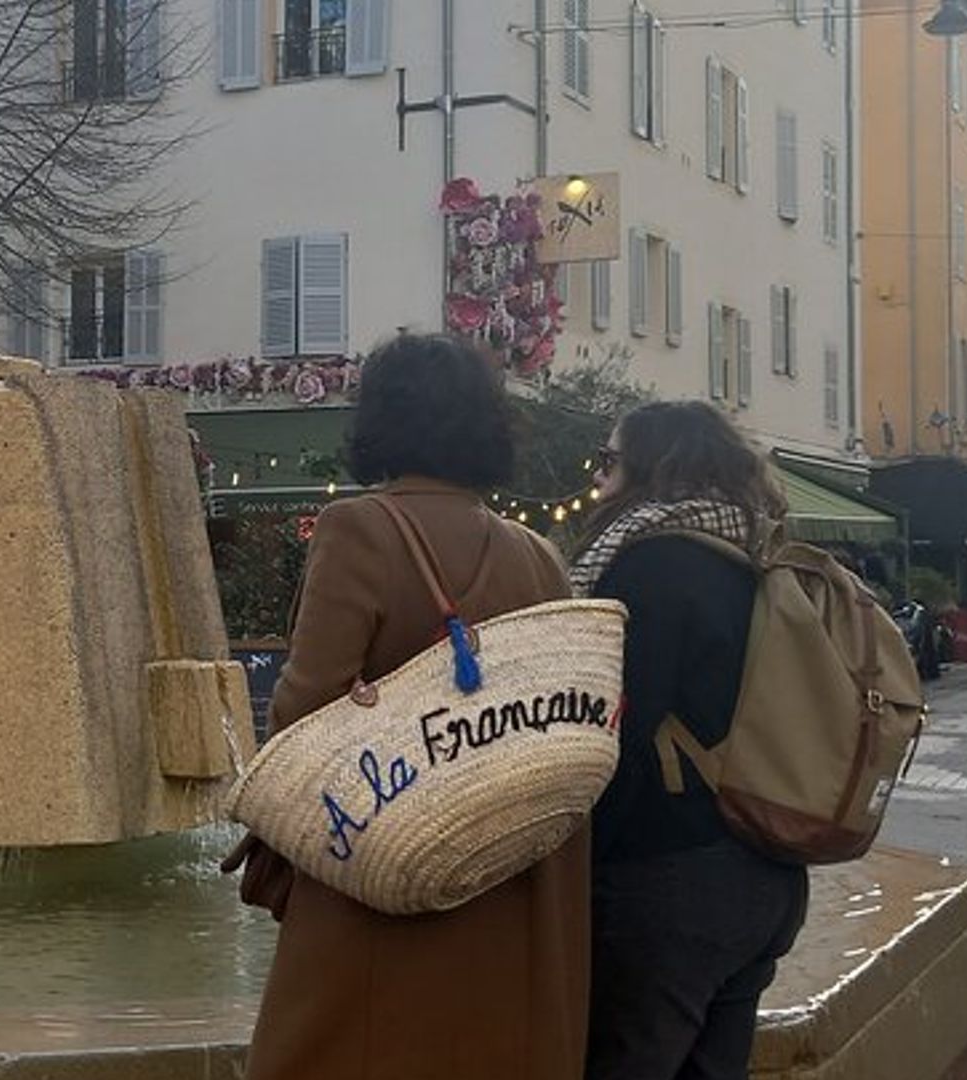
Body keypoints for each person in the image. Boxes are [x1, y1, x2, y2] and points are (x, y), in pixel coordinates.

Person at [232, 334, 591, 1080]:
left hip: (384, 878)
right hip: (514, 882)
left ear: (381, 420)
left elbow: (302, 712)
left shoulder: (360, 528)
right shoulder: (538, 555)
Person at [570, 401, 810, 1080]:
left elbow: (615, 735)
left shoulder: (651, 566)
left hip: (671, 877)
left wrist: (577, 867)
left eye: (609, 460)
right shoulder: (754, 556)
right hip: (767, 870)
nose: (599, 479)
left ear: (651, 465)